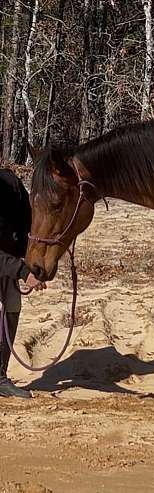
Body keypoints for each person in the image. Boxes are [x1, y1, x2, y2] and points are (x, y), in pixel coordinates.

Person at [0, 167, 45, 398]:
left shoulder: (11, 184)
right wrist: (21, 271)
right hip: (7, 263)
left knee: (12, 309)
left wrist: (34, 264)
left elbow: (29, 226)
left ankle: (0, 377)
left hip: (8, 260)